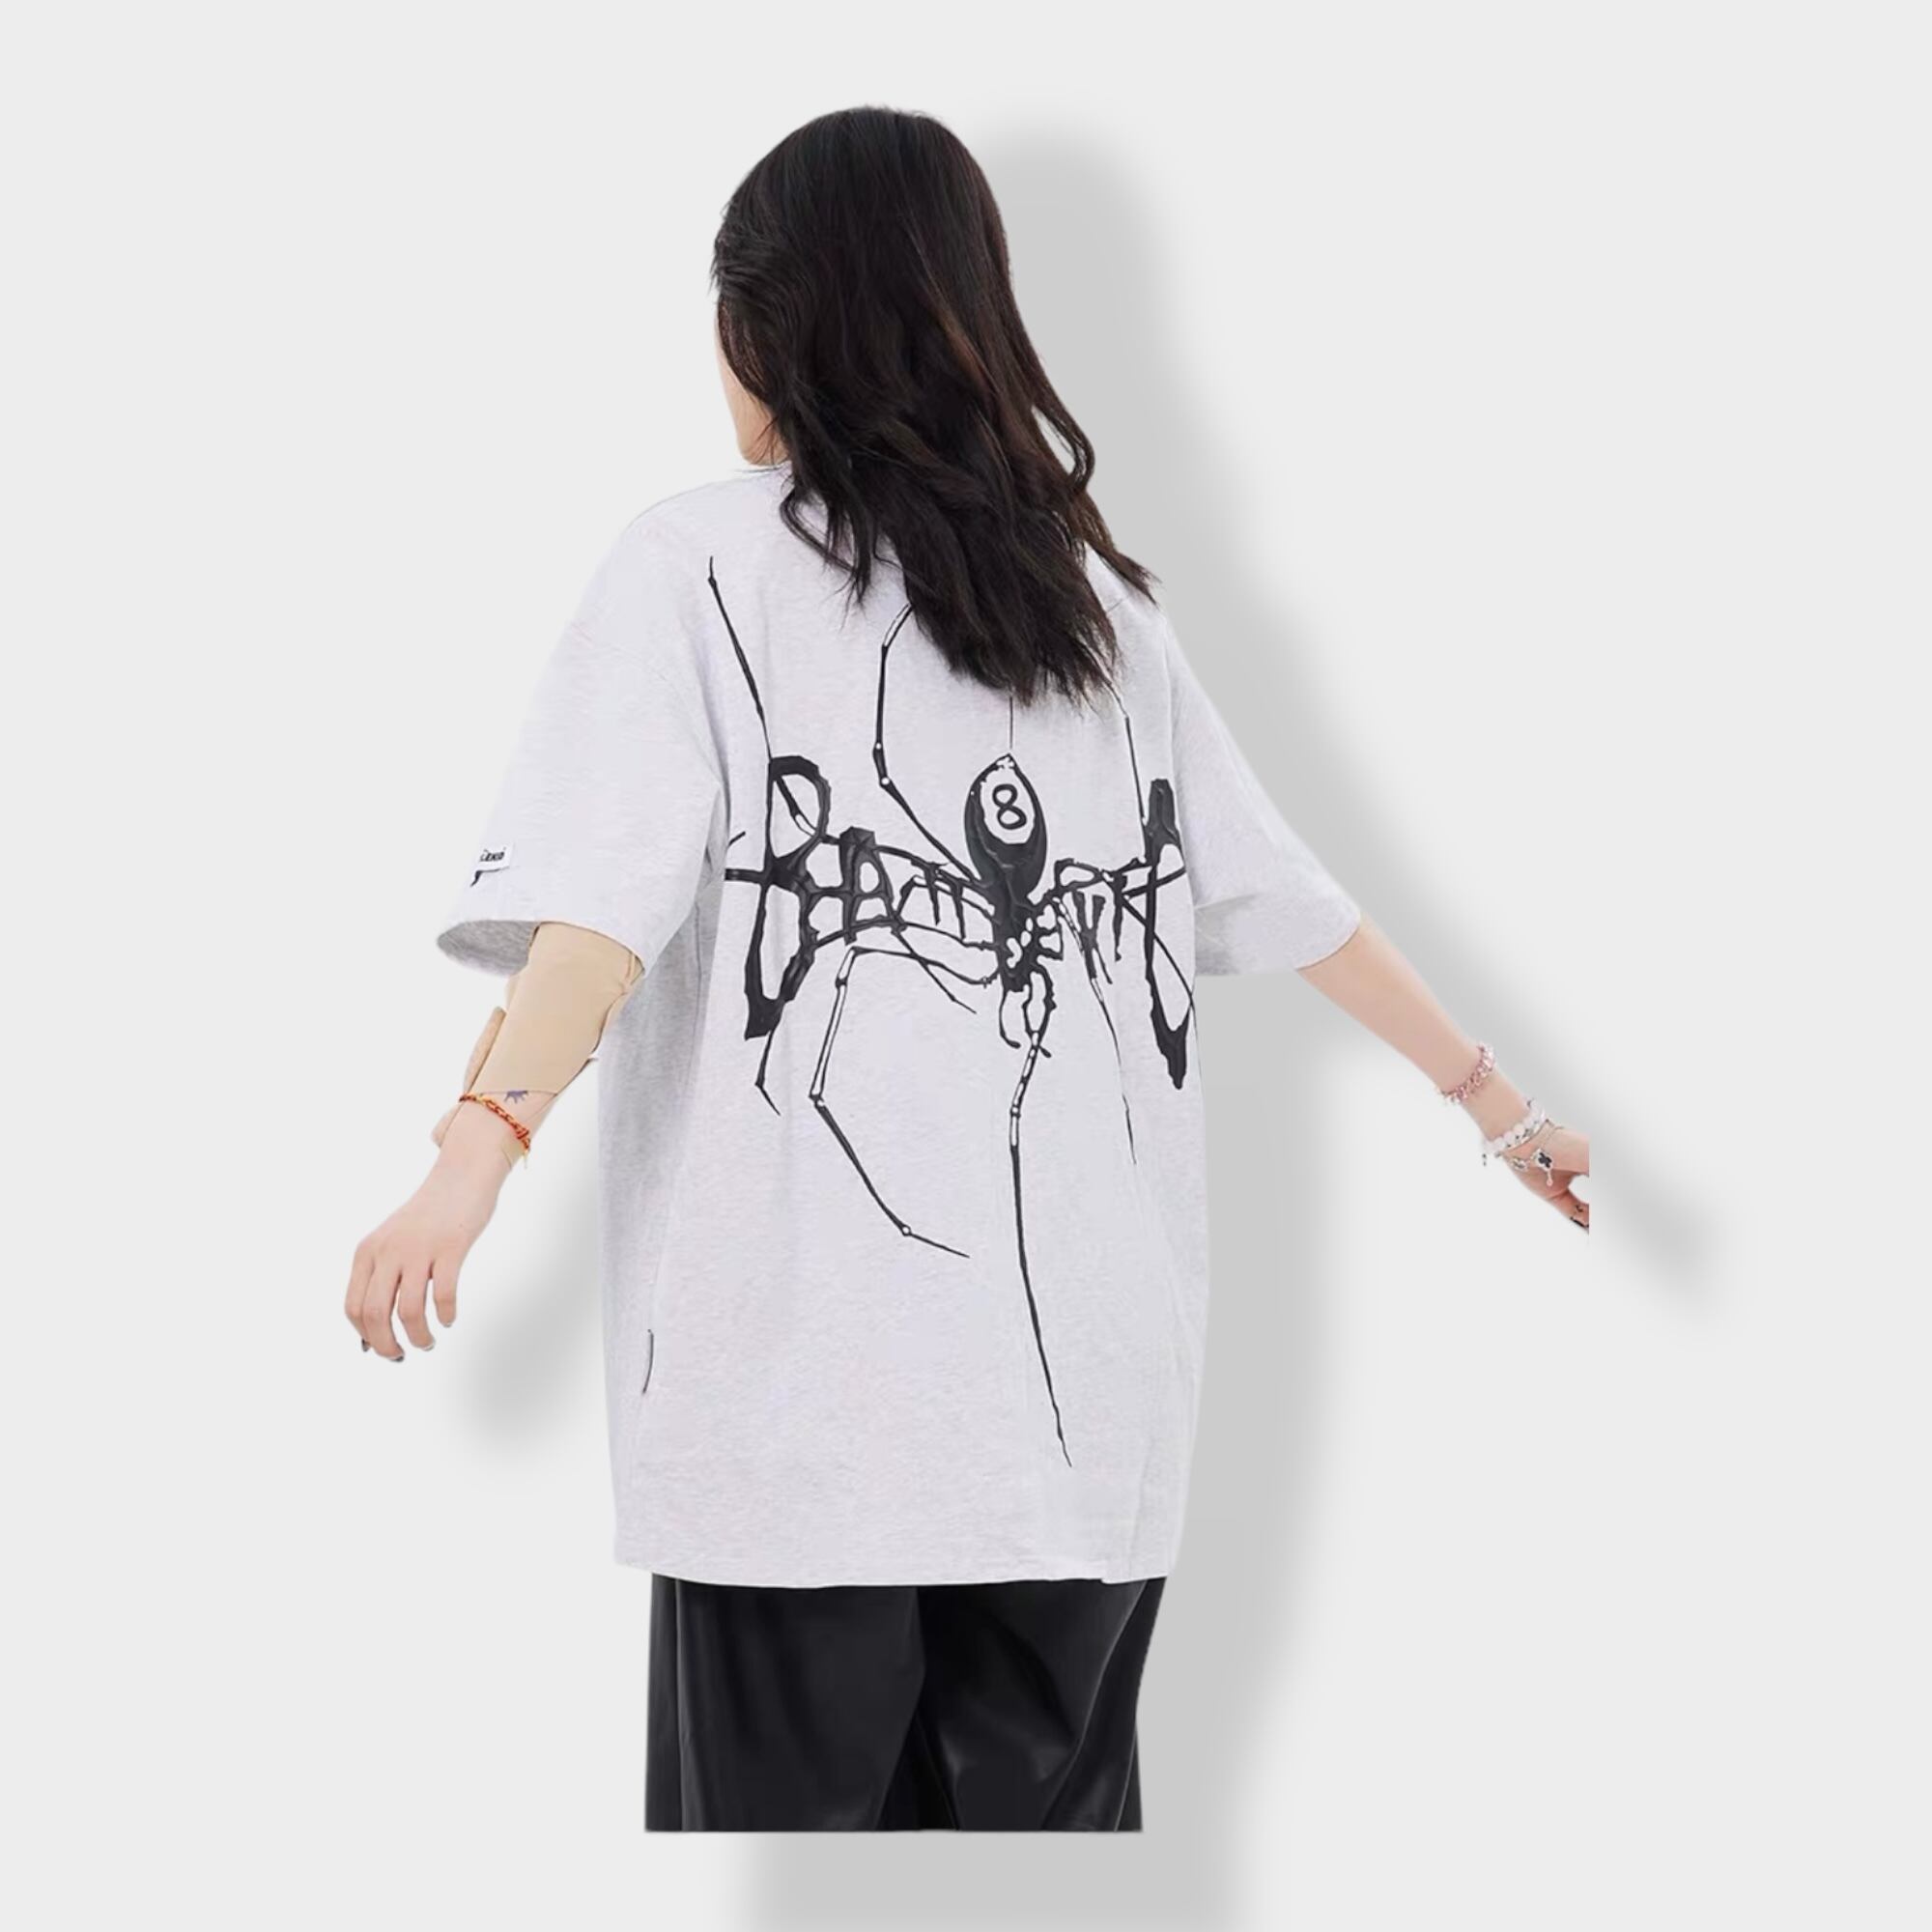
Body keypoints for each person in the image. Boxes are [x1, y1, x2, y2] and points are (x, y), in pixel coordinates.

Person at [345, 105, 1589, 1833]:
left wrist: (470, 1157)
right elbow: (1292, 901)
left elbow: (598, 917)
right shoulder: (1091, 605)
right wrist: (1501, 1107)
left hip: (804, 1427)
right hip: (1087, 1425)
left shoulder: (699, 565)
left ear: (760, 324)